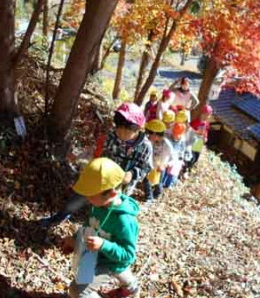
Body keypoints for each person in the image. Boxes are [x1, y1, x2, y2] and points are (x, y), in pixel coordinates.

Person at [40, 103, 152, 227]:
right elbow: (97, 150)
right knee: (76, 199)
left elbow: (146, 167)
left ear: (137, 129)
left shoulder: (145, 147)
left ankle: (94, 233)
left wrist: (132, 174)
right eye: (118, 128)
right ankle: (58, 218)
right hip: (99, 177)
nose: (120, 133)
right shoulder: (112, 136)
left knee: (105, 213)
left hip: (119, 188)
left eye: (126, 130)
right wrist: (80, 157)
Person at [62, 157, 140, 298]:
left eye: (91, 195)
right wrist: (75, 240)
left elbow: (128, 255)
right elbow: (89, 225)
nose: (87, 198)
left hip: (111, 261)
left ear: (111, 194)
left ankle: (131, 287)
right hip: (95, 255)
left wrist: (104, 245)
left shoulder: (125, 221)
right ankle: (132, 288)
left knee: (77, 291)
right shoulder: (98, 205)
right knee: (77, 288)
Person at [143, 119, 173, 201]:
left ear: (155, 134)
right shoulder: (148, 141)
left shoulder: (167, 145)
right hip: (148, 166)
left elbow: (173, 159)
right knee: (146, 182)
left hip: (159, 168)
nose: (148, 136)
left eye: (149, 134)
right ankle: (149, 197)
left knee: (158, 183)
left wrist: (165, 165)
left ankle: (157, 194)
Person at [188, 104, 213, 170]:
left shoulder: (206, 123)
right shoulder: (196, 122)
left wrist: (205, 136)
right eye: (206, 114)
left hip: (199, 141)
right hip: (193, 140)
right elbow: (190, 129)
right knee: (191, 156)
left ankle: (190, 167)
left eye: (209, 115)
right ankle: (185, 168)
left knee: (196, 156)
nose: (207, 117)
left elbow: (206, 130)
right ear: (202, 113)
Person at [162, 123, 187, 188]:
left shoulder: (182, 140)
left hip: (176, 157)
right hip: (167, 155)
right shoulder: (168, 135)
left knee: (172, 173)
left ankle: (169, 184)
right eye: (174, 133)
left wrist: (181, 159)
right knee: (165, 170)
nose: (175, 135)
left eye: (177, 134)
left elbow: (182, 150)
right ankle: (162, 182)